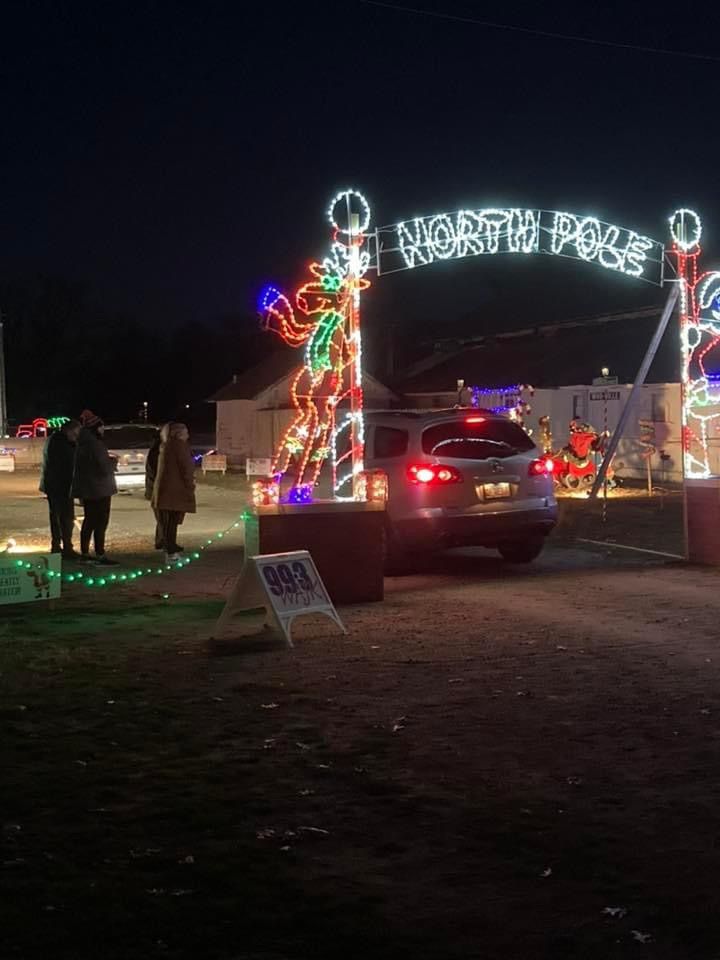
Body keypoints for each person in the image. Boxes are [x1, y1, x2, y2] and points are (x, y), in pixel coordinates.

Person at [74, 410, 118, 565]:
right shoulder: (95, 444)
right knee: (100, 521)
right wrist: (112, 463)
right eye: (101, 427)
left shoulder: (82, 442)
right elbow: (103, 468)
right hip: (100, 489)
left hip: (88, 489)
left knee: (89, 520)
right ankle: (99, 553)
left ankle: (85, 552)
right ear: (95, 428)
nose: (103, 429)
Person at [152, 421, 196, 562]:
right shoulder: (180, 446)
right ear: (179, 433)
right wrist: (190, 485)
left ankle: (169, 550)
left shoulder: (166, 445)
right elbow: (186, 468)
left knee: (167, 523)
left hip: (165, 491)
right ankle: (171, 554)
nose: (188, 434)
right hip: (175, 491)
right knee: (171, 523)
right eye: (186, 431)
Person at [39, 419, 81, 558]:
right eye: (75, 433)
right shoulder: (60, 443)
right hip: (60, 486)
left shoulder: (55, 440)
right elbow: (67, 465)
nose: (76, 436)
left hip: (54, 486)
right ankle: (64, 547)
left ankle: (58, 546)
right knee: (64, 517)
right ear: (69, 430)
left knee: (58, 516)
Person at [144, 428, 163, 550]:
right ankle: (162, 541)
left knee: (162, 518)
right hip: (158, 490)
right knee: (163, 518)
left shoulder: (155, 450)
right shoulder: (158, 452)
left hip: (155, 490)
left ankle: (161, 541)